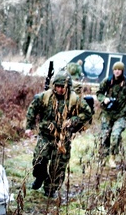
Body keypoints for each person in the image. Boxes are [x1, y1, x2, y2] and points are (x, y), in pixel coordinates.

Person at [24, 70, 94, 198]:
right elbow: (32, 110)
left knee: (58, 166)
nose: (60, 89)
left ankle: (50, 189)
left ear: (68, 87)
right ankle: (40, 177)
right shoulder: (45, 97)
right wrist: (29, 127)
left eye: (63, 87)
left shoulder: (74, 99)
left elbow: (87, 114)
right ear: (53, 85)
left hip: (63, 138)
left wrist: (73, 120)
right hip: (46, 135)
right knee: (39, 159)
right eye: (58, 86)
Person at [96, 60, 126, 168]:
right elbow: (99, 92)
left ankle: (112, 157)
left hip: (121, 114)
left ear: (122, 71)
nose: (117, 72)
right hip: (107, 113)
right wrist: (104, 99)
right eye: (115, 69)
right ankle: (102, 157)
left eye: (119, 70)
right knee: (104, 136)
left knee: (115, 135)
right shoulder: (108, 80)